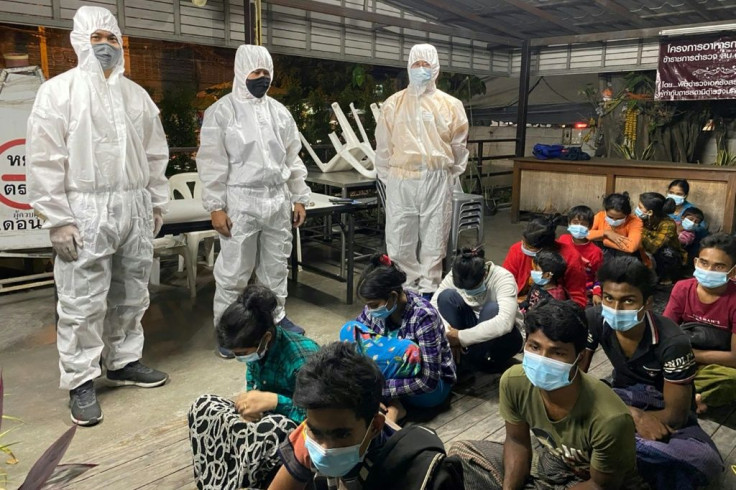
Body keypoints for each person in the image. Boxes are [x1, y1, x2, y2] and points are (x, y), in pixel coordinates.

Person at [26, 6, 169, 426]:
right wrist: (56, 218)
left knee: (132, 291)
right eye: (96, 37)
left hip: (134, 207)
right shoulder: (58, 92)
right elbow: (44, 159)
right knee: (82, 300)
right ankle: (81, 380)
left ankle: (124, 360)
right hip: (85, 210)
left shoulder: (135, 95)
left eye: (111, 37)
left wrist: (156, 201)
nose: (104, 45)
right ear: (78, 40)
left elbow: (155, 152)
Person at [450, 299, 644, 489]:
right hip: (553, 465)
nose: (542, 360)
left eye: (557, 353)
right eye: (534, 347)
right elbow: (517, 442)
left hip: (595, 483)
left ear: (579, 357)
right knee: (462, 453)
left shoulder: (610, 419)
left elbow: (600, 485)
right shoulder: (514, 382)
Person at [197, 44, 310, 357]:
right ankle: (227, 328)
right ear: (240, 71)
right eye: (255, 72)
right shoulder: (222, 111)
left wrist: (299, 198)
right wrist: (216, 206)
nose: (262, 78)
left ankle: (276, 317)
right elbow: (211, 162)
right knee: (234, 271)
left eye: (266, 73)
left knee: (275, 266)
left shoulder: (279, 112)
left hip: (277, 197)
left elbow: (292, 157)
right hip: (241, 199)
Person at [581, 256, 723, 489]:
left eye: (628, 300)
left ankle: (611, 460)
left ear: (647, 303)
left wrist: (622, 421)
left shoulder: (672, 341)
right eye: (608, 298)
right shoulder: (595, 319)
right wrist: (631, 415)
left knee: (703, 462)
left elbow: (675, 416)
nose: (615, 309)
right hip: (620, 398)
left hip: (661, 408)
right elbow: (575, 379)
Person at [270, 342, 463, 490]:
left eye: (342, 435)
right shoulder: (309, 439)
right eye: (316, 432)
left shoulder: (405, 468)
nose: (325, 449)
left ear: (375, 427)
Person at [188, 285, 319, 489]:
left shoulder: (302, 358)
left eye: (242, 353)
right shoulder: (259, 349)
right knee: (203, 406)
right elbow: (253, 378)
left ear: (266, 338)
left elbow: (317, 417)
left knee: (271, 428)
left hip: (295, 429)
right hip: (265, 418)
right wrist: (250, 403)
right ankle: (213, 483)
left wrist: (275, 401)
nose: (242, 358)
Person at [374, 43, 469, 298]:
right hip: (401, 177)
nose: (421, 69)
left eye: (426, 64)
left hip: (437, 177)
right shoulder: (394, 104)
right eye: (416, 64)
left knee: (435, 234)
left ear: (436, 67)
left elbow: (458, 146)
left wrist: (448, 174)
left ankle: (429, 288)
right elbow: (383, 145)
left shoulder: (451, 105)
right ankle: (404, 286)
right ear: (408, 66)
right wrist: (391, 178)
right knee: (399, 234)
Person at [349, 253, 456, 423]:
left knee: (404, 349)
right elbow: (357, 338)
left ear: (392, 296)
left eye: (373, 305)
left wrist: (379, 391)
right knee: (349, 332)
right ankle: (393, 406)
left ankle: (388, 406)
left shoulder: (423, 317)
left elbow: (428, 380)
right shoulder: (375, 310)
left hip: (429, 387)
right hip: (393, 378)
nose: (369, 310)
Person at [663, 233, 736, 414]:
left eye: (719, 266)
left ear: (733, 272)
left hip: (719, 363)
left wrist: (690, 356)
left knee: (731, 378)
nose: (709, 270)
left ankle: (687, 394)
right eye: (704, 263)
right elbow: (665, 331)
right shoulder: (682, 288)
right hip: (683, 353)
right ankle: (692, 396)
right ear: (695, 262)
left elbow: (734, 358)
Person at [430, 246, 523, 372]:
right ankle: (460, 354)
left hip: (504, 338)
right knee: (446, 297)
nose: (468, 292)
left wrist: (460, 337)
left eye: (473, 288)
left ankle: (471, 361)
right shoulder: (458, 272)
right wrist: (449, 335)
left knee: (492, 309)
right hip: (468, 332)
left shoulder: (503, 278)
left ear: (484, 274)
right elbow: (433, 305)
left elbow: (504, 322)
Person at [502, 216, 587, 307]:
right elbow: (505, 282)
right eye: (523, 243)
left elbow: (577, 300)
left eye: (530, 248)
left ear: (547, 249)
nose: (523, 248)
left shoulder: (571, 258)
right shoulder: (517, 249)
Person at [636, 192, 686, 283]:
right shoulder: (643, 219)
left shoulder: (668, 224)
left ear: (650, 212)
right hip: (649, 253)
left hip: (668, 256)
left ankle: (667, 277)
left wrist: (639, 231)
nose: (637, 209)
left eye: (640, 207)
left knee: (666, 252)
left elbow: (654, 247)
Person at [558, 205, 603, 303]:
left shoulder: (595, 252)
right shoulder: (562, 240)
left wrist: (596, 294)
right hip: (560, 288)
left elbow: (599, 277)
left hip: (583, 293)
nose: (579, 226)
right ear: (569, 224)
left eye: (583, 224)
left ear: (590, 226)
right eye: (575, 223)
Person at [587, 192, 643, 259]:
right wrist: (606, 233)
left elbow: (631, 247)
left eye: (619, 218)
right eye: (610, 217)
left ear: (627, 215)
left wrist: (604, 240)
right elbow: (585, 234)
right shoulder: (600, 216)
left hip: (623, 256)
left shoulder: (635, 221)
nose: (614, 220)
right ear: (605, 211)